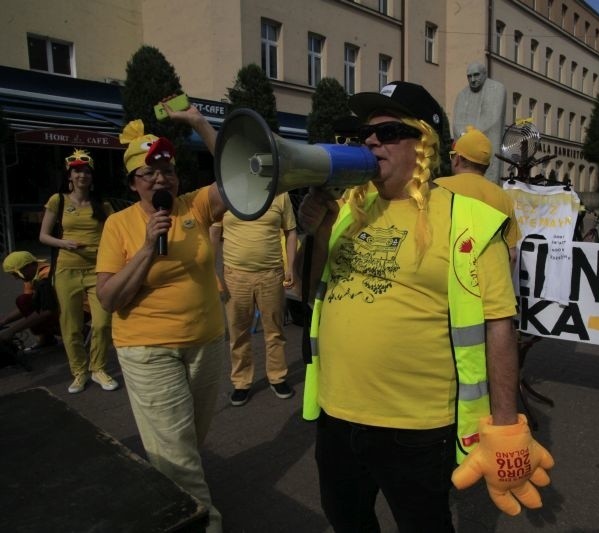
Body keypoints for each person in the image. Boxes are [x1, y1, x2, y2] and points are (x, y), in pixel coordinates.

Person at [299, 81, 554, 531]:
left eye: (390, 131)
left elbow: (499, 325)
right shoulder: (348, 209)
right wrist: (314, 230)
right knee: (346, 519)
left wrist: (505, 424)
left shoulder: (469, 219)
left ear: (425, 144)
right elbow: (317, 285)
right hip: (336, 416)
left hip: (414, 430)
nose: (372, 141)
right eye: (367, 134)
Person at [96, 109, 226, 533]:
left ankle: (172, 497)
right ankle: (205, 522)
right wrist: (149, 246)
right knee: (177, 452)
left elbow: (240, 174)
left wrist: (199, 124)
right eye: (149, 173)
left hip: (206, 342)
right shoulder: (118, 226)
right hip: (147, 348)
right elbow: (110, 298)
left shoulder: (196, 206)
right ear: (133, 182)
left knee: (188, 443)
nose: (161, 179)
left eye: (167, 170)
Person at [38, 149, 117, 394]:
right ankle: (79, 372)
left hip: (98, 269)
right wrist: (65, 243)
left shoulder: (102, 204)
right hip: (67, 269)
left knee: (103, 323)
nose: (82, 175)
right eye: (77, 171)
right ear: (69, 175)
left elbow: (117, 231)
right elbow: (43, 236)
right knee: (71, 326)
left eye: (86, 171)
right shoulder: (57, 201)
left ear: (92, 177)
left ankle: (98, 368)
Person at [210, 192, 298, 406]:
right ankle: (241, 382)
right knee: (238, 333)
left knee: (275, 331)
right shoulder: (227, 193)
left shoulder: (280, 194)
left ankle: (277, 376)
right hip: (235, 276)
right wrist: (212, 271)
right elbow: (214, 232)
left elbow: (291, 231)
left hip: (271, 274)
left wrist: (291, 268)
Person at [435, 125, 521, 267]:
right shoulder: (504, 198)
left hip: (443, 280)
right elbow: (512, 256)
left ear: (458, 159)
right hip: (487, 283)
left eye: (452, 155)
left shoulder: (438, 187)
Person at [453, 62, 507, 184]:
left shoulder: (497, 89)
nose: (472, 80)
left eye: (476, 75)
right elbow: (457, 122)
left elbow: (492, 119)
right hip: (465, 146)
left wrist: (470, 136)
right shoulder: (462, 95)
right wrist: (464, 135)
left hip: (486, 145)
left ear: (484, 74)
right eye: (469, 76)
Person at [1, 251, 60, 349]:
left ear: (29, 266)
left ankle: (79, 330)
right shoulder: (31, 276)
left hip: (78, 309)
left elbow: (47, 310)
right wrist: (4, 321)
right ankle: (47, 338)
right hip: (58, 306)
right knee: (23, 301)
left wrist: (12, 331)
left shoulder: (46, 277)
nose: (16, 278)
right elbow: (29, 305)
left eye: (16, 274)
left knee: (27, 304)